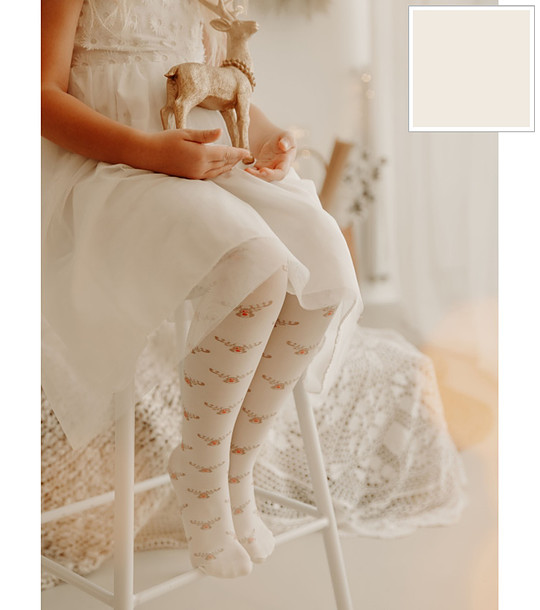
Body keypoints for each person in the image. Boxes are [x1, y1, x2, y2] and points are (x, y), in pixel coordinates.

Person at [41, 0, 363, 578]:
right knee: (255, 261)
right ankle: (206, 470)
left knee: (322, 254)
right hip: (110, 169)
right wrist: (150, 152)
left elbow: (218, 85)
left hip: (197, 162)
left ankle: (232, 466)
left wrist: (268, 137)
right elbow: (37, 96)